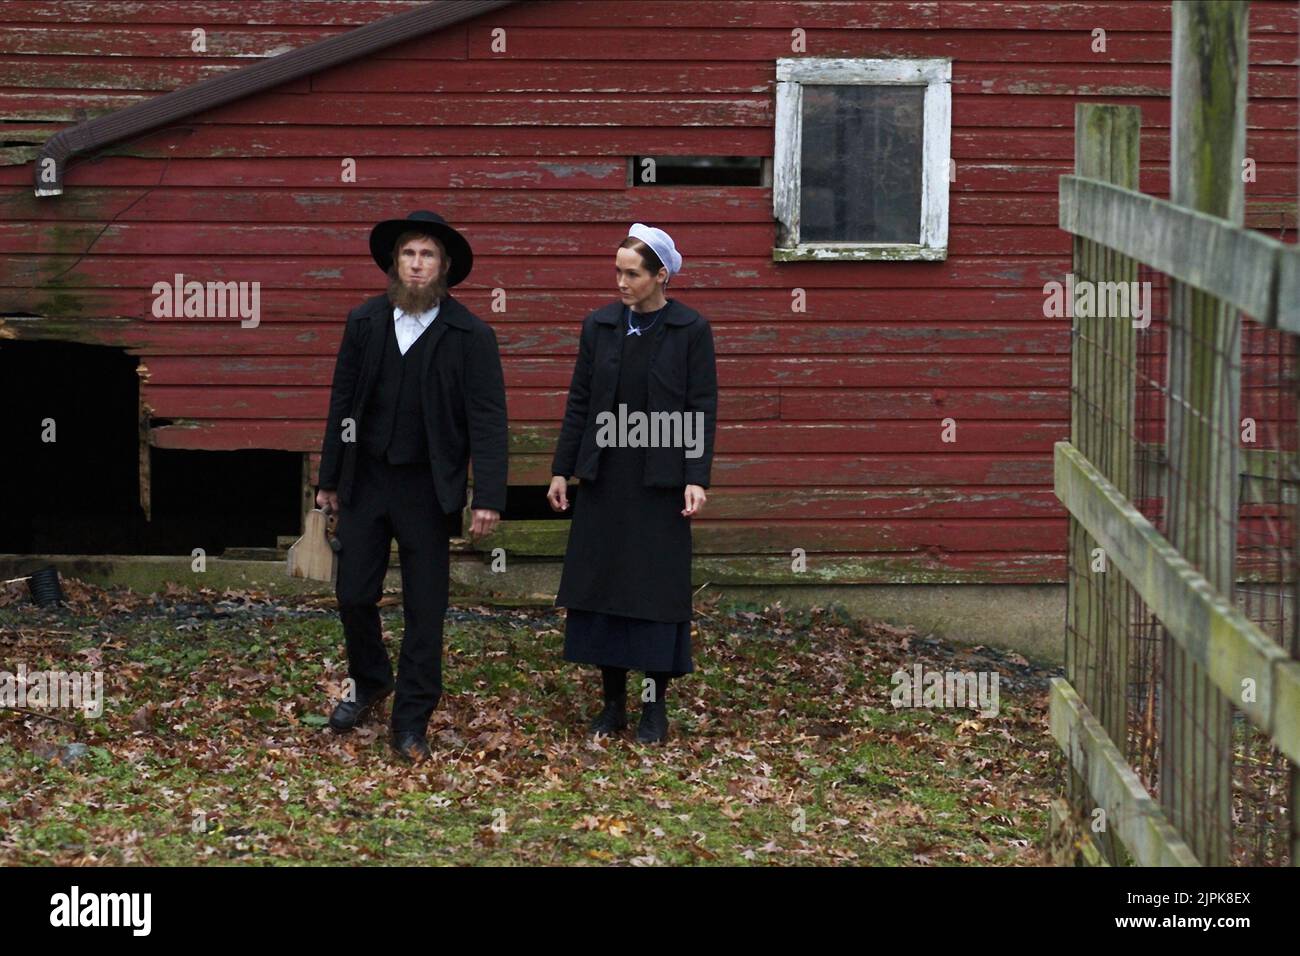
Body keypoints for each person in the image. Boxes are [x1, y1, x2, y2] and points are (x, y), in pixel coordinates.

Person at [315, 210, 508, 762]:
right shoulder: (365, 322)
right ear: (395, 263)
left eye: (427, 255)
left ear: (443, 266)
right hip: (366, 481)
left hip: (428, 488)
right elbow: (341, 402)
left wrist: (488, 495)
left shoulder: (470, 334)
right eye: (409, 254)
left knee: (426, 607)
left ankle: (412, 717)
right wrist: (328, 477)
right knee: (353, 594)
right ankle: (371, 679)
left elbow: (489, 417)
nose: (417, 264)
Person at [547, 223, 718, 743]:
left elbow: (701, 406)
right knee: (605, 590)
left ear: (660, 275)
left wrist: (695, 476)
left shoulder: (690, 329)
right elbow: (579, 400)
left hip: (659, 482)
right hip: (605, 477)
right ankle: (612, 705)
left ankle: (653, 708)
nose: (621, 282)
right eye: (617, 271)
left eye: (632, 273)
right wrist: (562, 468)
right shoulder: (599, 326)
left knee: (652, 594)